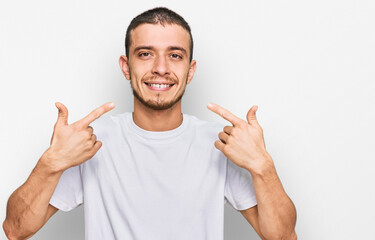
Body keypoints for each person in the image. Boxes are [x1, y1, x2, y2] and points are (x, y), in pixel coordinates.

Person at [3, 7, 297, 240]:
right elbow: (16, 230)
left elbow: (282, 237)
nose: (160, 68)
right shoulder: (90, 143)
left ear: (190, 70)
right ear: (125, 66)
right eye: (145, 54)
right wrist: (50, 163)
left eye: (175, 55)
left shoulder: (221, 144)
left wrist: (263, 167)